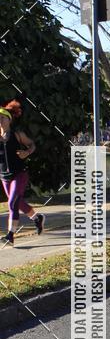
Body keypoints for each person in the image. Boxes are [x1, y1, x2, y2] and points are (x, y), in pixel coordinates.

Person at [0, 101, 44, 244]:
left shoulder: (18, 135)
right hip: (4, 177)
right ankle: (37, 218)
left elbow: (32, 145)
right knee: (18, 203)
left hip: (19, 174)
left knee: (12, 203)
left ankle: (10, 235)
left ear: (9, 119)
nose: (0, 121)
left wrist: (27, 152)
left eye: (2, 118)